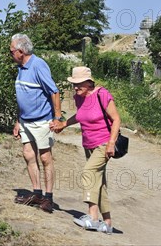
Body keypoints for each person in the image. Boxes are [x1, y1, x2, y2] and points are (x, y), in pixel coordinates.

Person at [50, 66, 121, 234]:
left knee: (89, 172)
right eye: (74, 84)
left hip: (104, 143)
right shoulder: (79, 97)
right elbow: (80, 116)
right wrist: (63, 124)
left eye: (79, 84)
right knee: (98, 182)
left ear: (89, 82)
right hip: (88, 144)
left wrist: (111, 143)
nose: (75, 87)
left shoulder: (102, 94)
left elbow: (116, 119)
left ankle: (93, 218)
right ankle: (108, 223)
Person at [10, 33, 63, 213]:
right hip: (25, 121)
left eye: (12, 51)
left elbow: (54, 91)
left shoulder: (38, 65)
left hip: (42, 120)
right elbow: (23, 97)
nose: (10, 54)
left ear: (21, 51)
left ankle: (48, 197)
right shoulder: (21, 67)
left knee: (45, 157)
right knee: (28, 155)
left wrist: (57, 118)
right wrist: (18, 121)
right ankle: (37, 193)